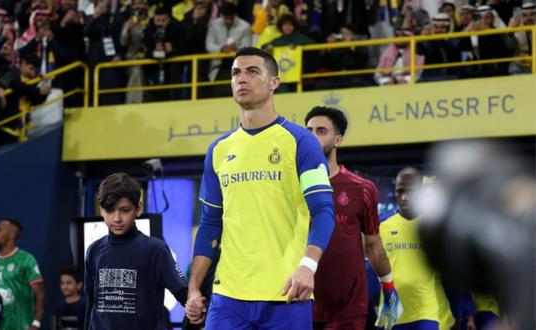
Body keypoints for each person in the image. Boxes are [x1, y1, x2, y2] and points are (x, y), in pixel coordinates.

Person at [184, 47, 335, 329]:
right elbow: (209, 223)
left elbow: (324, 210)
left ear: (274, 82)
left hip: (287, 293)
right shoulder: (218, 150)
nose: (242, 79)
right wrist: (194, 288)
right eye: (236, 73)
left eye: (253, 72)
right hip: (227, 296)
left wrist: (308, 266)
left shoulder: (301, 142)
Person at [305, 106, 403, 330]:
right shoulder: (291, 188)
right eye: (308, 130)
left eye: (321, 131)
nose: (312, 137)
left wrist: (389, 289)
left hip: (348, 309)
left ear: (337, 140)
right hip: (300, 303)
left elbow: (373, 245)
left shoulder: (362, 189)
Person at [84, 172, 187, 330]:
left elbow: (185, 294)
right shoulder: (94, 251)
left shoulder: (156, 250)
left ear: (138, 208)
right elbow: (91, 303)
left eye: (124, 210)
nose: (117, 218)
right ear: (101, 210)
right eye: (109, 211)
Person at [379, 168, 454, 330]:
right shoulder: (382, 227)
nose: (405, 197)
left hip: (424, 311)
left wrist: (460, 310)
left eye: (411, 192)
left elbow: (448, 275)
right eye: (400, 192)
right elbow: (372, 271)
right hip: (391, 311)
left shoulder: (431, 228)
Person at [0, 218, 45, 330]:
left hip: (21, 326)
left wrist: (36, 324)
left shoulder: (26, 259)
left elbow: (40, 295)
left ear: (12, 235)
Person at [53, 265, 86, 330]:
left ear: (79, 285)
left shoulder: (85, 306)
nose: (64, 286)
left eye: (69, 283)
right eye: (62, 283)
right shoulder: (59, 307)